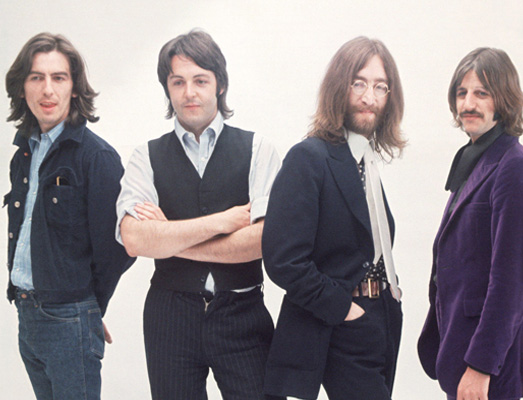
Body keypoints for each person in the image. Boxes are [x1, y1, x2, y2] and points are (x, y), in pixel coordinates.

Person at [116, 29, 281, 400]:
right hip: (169, 315)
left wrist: (168, 238)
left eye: (200, 80)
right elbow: (134, 239)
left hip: (242, 312)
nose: (189, 92)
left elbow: (262, 241)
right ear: (167, 88)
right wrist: (221, 223)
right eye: (178, 82)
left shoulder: (259, 150)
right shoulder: (145, 157)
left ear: (219, 84)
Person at [261, 36, 405, 400]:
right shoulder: (308, 158)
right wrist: (344, 310)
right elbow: (283, 261)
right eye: (359, 83)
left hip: (380, 319)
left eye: (380, 87)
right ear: (339, 86)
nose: (370, 97)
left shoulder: (367, 162)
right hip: (333, 324)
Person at [4, 32, 134, 400]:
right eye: (37, 77)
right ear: (22, 87)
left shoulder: (96, 158)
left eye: (58, 78)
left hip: (69, 320)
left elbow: (119, 249)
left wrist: (89, 310)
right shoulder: (24, 154)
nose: (47, 89)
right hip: (26, 316)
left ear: (74, 88)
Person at [418, 48, 523, 400]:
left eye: (481, 93)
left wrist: (481, 366)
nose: (468, 104)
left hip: (488, 366)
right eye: (462, 93)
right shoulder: (474, 159)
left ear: (503, 99)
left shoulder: (513, 166)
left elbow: (511, 281)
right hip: (458, 349)